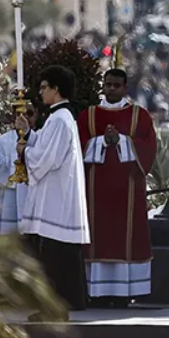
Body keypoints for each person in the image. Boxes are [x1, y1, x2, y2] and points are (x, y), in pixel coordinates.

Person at [77, 68, 157, 308]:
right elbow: (77, 146)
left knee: (125, 237)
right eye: (107, 84)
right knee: (97, 236)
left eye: (116, 85)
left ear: (125, 88)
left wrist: (121, 141)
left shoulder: (139, 116)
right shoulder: (87, 115)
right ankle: (97, 292)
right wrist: (102, 141)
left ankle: (124, 293)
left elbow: (149, 147)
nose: (111, 89)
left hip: (127, 189)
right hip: (95, 192)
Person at [16, 65, 90, 321]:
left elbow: (48, 159)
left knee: (55, 256)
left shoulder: (60, 119)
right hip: (58, 196)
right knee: (59, 255)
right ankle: (62, 305)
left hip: (57, 200)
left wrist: (25, 151)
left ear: (56, 89)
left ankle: (53, 309)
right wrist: (30, 134)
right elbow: (48, 147)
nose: (41, 91)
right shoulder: (59, 118)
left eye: (44, 87)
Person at [0, 101, 38, 234]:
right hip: (9, 196)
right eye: (20, 114)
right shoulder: (3, 140)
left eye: (30, 114)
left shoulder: (41, 138)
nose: (25, 118)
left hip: (34, 195)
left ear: (37, 116)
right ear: (13, 117)